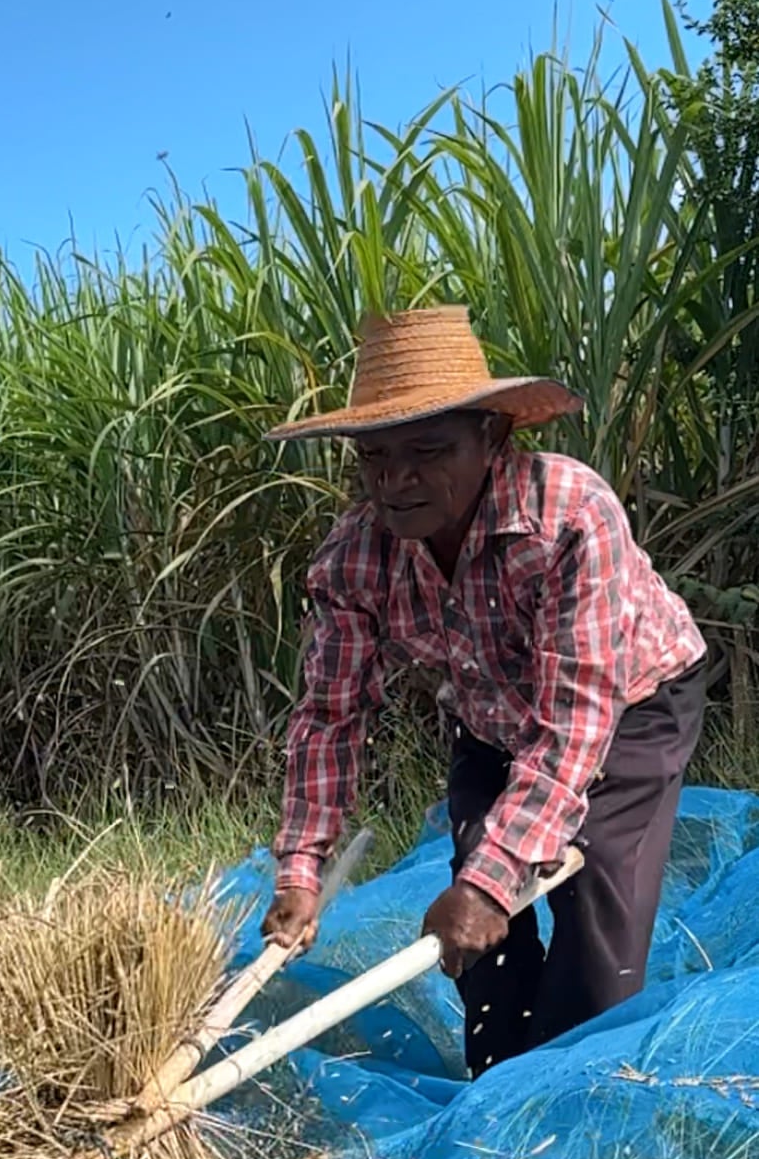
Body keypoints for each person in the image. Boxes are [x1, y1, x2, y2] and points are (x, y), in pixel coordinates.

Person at [261, 306, 708, 1076]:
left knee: (592, 922)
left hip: (629, 708)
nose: (394, 481)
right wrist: (301, 871)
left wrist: (493, 883)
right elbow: (329, 717)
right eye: (373, 458)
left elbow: (576, 723)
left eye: (426, 451)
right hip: (491, 721)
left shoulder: (567, 513)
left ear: (492, 437)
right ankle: (496, 1098)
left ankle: (577, 1096)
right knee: (476, 945)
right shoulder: (354, 557)